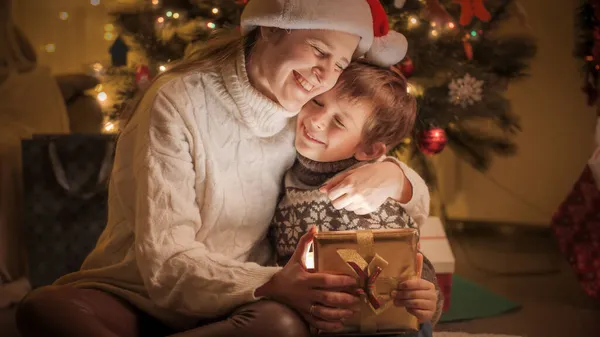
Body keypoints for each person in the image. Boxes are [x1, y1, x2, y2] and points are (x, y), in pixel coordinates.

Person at [15, 1, 430, 336]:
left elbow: (375, 175)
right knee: (44, 309)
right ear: (270, 28)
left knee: (279, 326)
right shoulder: (179, 100)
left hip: (239, 308)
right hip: (138, 294)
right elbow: (166, 263)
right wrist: (269, 284)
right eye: (319, 51)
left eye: (338, 65)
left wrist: (396, 176)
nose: (324, 77)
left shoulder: (307, 113)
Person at [270, 60, 442, 335]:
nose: (316, 120)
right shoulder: (283, 169)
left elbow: (407, 255)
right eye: (317, 102)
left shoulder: (372, 187)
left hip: (383, 320)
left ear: (370, 150)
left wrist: (427, 299)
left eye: (339, 121)